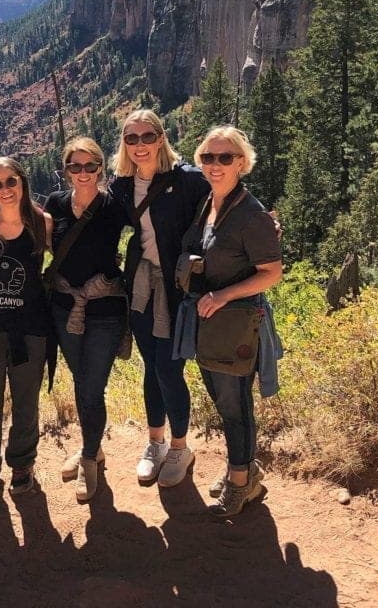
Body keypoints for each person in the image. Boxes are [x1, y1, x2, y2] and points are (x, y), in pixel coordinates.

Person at [182, 125, 283, 517]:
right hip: (211, 323)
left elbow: (271, 273)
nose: (215, 164)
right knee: (224, 401)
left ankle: (241, 484)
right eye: (208, 157)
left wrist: (223, 295)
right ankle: (243, 470)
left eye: (225, 157)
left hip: (235, 323)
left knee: (235, 404)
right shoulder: (210, 202)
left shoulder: (250, 214)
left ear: (242, 162)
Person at [108, 110, 209, 488]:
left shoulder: (187, 180)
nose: (139, 145)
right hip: (140, 284)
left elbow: (228, 197)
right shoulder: (122, 185)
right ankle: (155, 443)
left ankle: (181, 448)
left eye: (146, 137)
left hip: (175, 288)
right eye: (131, 138)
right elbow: (102, 222)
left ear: (161, 138)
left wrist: (264, 223)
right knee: (150, 365)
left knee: (169, 369)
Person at [45, 136, 129, 503]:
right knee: (82, 382)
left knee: (92, 388)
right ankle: (90, 447)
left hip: (105, 310)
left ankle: (90, 458)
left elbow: (157, 226)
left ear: (100, 167)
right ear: (65, 170)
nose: (82, 173)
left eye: (89, 166)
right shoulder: (55, 204)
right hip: (64, 307)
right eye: (74, 166)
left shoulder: (115, 206)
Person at [0, 157, 53, 496]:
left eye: (10, 181)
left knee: (25, 400)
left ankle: (22, 463)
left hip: (28, 328)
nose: (5, 190)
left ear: (22, 181)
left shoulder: (40, 222)